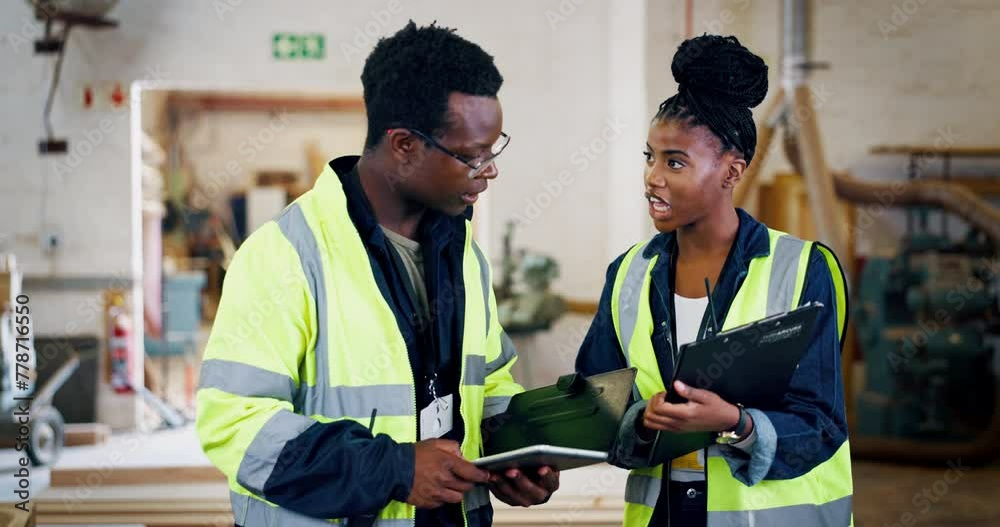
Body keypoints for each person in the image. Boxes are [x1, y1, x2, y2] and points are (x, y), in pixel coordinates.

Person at [196, 21, 559, 527]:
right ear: (405, 145)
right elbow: (234, 425)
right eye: (472, 155)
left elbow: (488, 380)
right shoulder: (285, 256)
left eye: (494, 149)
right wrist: (394, 468)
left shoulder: (462, 253)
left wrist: (518, 449)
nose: (490, 169)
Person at [575, 34, 852, 526]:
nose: (652, 178)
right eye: (650, 157)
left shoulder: (803, 269)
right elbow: (595, 409)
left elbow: (821, 424)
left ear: (731, 170)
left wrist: (735, 423)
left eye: (675, 162)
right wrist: (642, 419)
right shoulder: (629, 275)